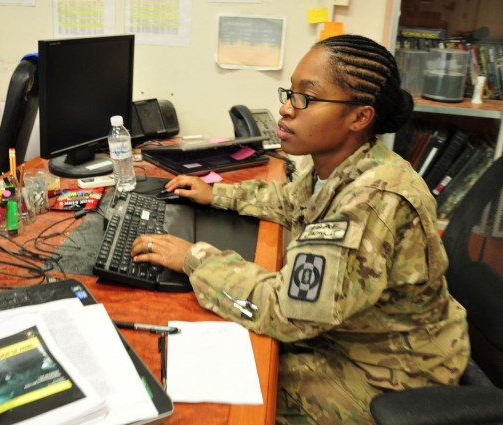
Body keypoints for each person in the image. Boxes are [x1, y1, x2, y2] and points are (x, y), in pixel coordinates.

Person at [131, 34, 470, 424]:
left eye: (305, 97)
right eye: (289, 93)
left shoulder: (374, 199)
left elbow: (283, 311)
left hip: (393, 374)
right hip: (349, 337)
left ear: (359, 117)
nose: (286, 109)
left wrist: (194, 258)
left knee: (215, 397)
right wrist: (217, 195)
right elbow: (293, 201)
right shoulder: (343, 163)